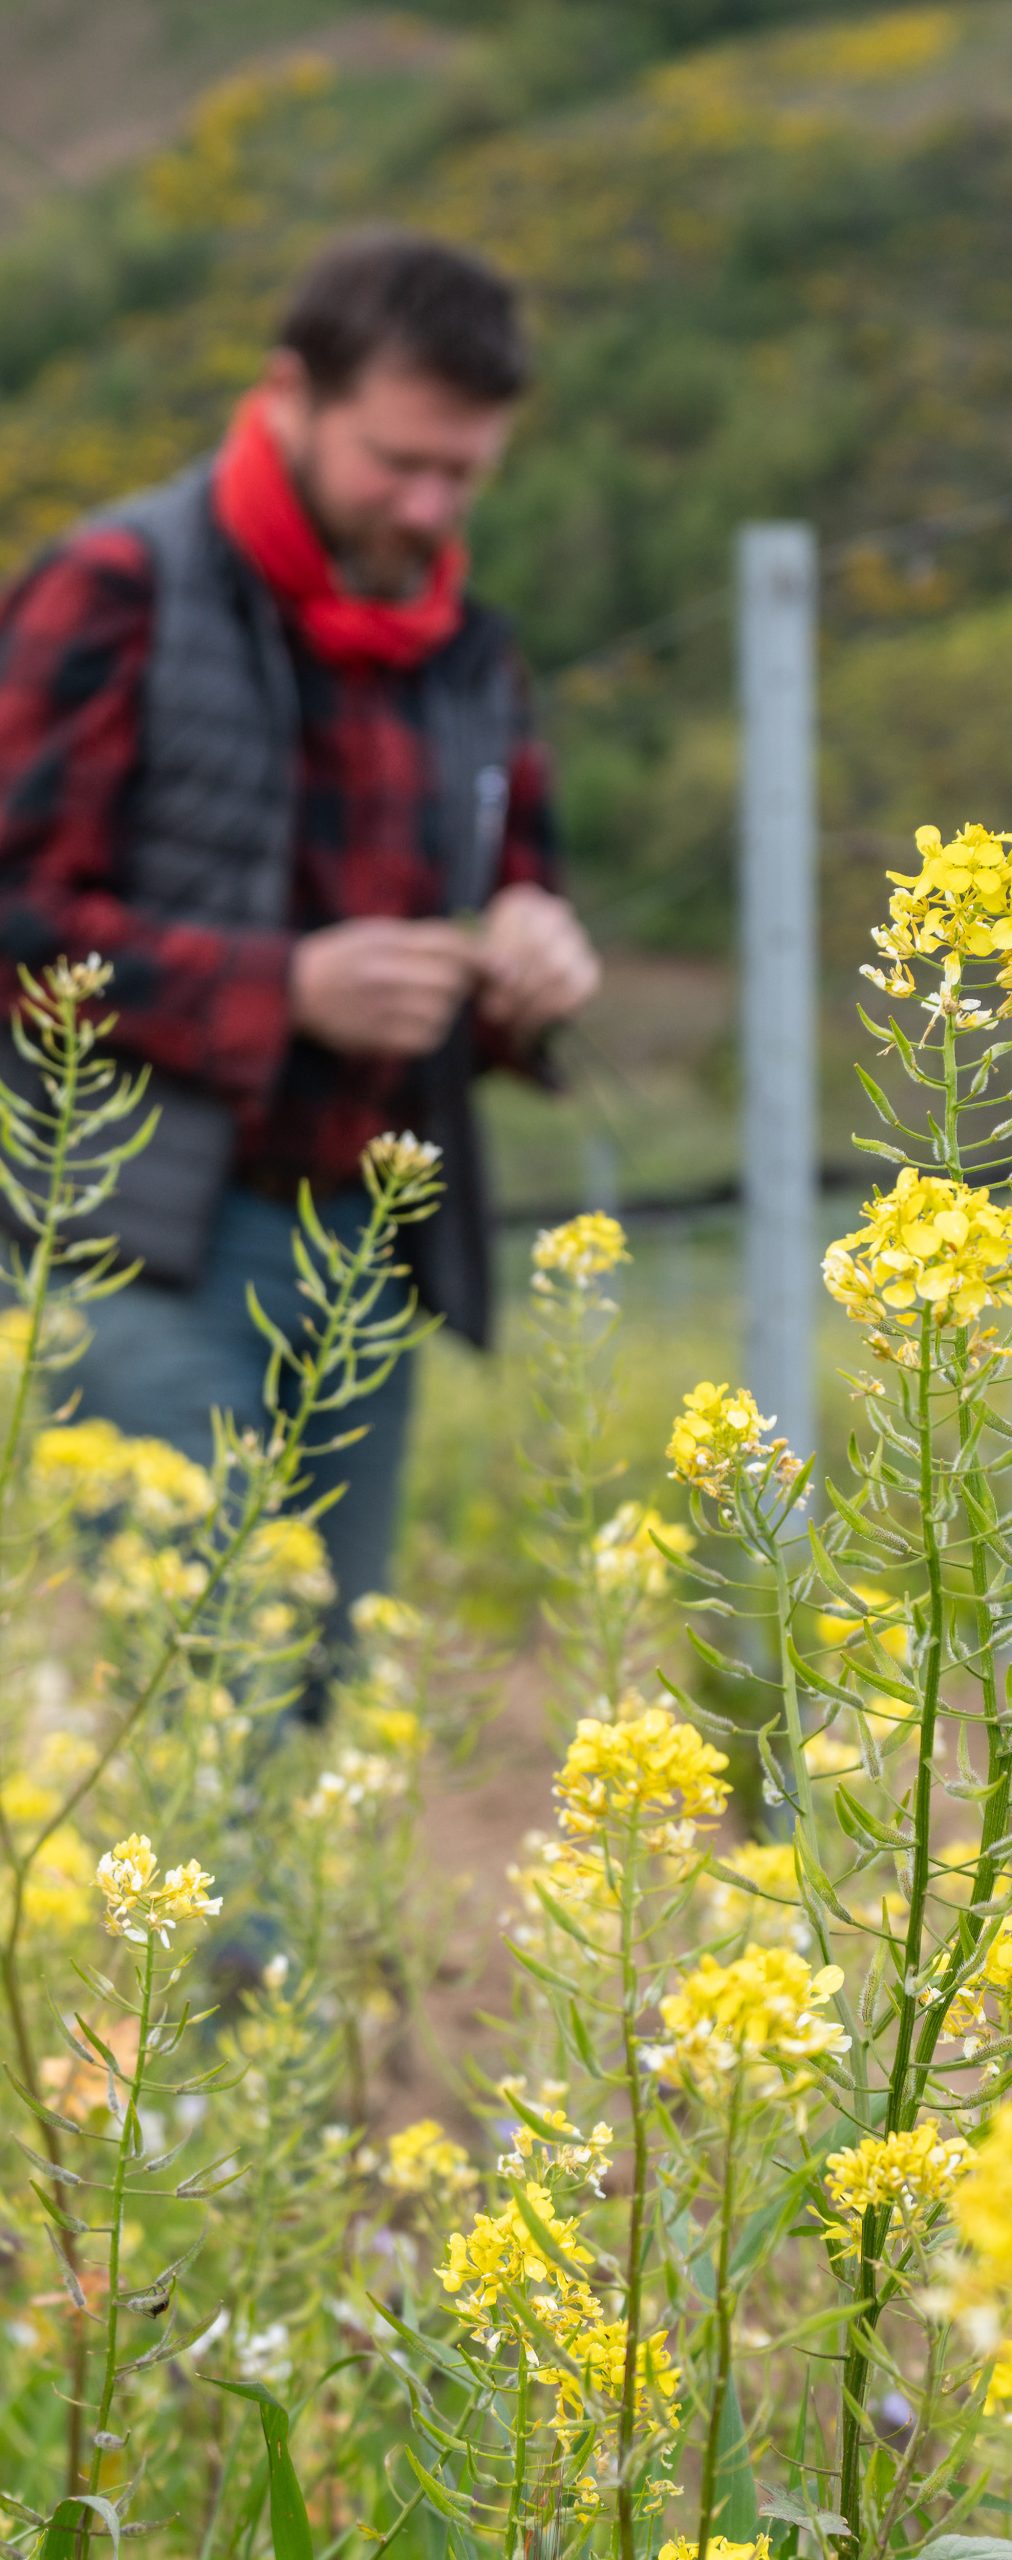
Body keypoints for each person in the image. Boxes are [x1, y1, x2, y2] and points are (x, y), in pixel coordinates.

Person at [0, 227, 600, 1644]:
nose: (430, 504)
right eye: (399, 461)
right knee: (205, 1695)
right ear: (289, 395)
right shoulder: (117, 589)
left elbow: (521, 888)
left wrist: (533, 960)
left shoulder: (471, 650)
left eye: (465, 472)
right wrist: (287, 989)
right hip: (133, 1242)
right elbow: (13, 917)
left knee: (319, 1684)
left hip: (367, 1252)